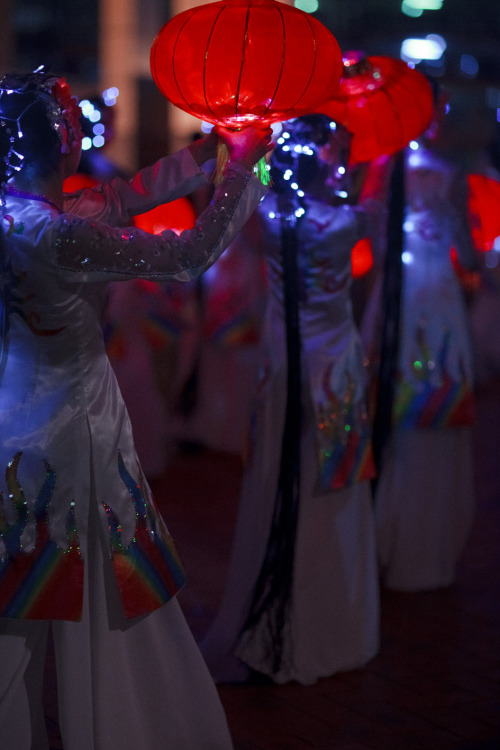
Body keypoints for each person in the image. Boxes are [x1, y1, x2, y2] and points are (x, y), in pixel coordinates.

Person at [0, 68, 272, 749]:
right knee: (110, 595)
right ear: (58, 138)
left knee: (19, 603)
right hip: (77, 435)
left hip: (15, 431)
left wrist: (217, 145)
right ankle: (129, 725)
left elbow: (123, 197)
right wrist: (239, 172)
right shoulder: (58, 236)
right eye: (68, 122)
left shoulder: (22, 216)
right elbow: (189, 255)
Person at [199, 114, 388, 686]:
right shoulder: (344, 222)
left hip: (280, 370)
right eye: (337, 150)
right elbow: (371, 212)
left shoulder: (272, 216)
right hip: (335, 374)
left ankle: (273, 607)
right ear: (322, 158)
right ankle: (330, 620)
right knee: (332, 489)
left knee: (279, 479)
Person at [364, 85, 479, 591]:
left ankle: (382, 534)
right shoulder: (452, 180)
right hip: (438, 308)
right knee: (434, 421)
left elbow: (367, 240)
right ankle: (426, 545)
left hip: (394, 301)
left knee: (385, 415)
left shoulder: (383, 173)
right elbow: (471, 259)